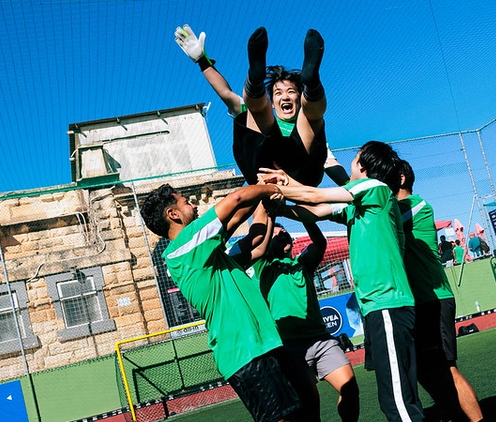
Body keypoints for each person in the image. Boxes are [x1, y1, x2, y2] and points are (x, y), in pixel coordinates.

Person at [260, 140, 425, 422]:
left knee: (397, 403)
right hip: (380, 308)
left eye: (356, 156)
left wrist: (276, 187)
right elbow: (316, 210)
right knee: (400, 397)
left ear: (364, 166)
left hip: (387, 305)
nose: (352, 161)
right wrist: (280, 206)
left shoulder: (374, 187)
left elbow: (315, 195)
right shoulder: (361, 205)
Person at [140, 183, 315, 421]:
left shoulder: (210, 255)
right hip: (245, 352)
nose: (194, 205)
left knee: (307, 411)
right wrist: (270, 186)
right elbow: (237, 198)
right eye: (186, 202)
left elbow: (257, 240)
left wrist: (266, 206)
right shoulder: (184, 247)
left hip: (266, 343)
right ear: (173, 214)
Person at [174, 24, 349, 186]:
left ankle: (312, 84)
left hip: (302, 175)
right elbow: (226, 94)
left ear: (299, 98)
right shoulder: (264, 116)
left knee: (311, 118)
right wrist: (203, 61)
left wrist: (350, 187)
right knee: (255, 112)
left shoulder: (307, 127)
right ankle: (255, 82)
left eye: (291, 91)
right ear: (272, 103)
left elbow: (329, 162)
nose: (285, 97)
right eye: (278, 93)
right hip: (263, 173)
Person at [397, 159, 484, 422]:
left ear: (401, 178)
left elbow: (382, 217)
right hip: (417, 303)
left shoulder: (417, 206)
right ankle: (453, 412)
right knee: (422, 369)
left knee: (448, 368)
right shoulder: (393, 209)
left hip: (434, 300)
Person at [250, 221, 360, 422]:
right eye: (275, 234)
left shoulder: (303, 263)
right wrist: (269, 218)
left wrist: (304, 216)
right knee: (310, 411)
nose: (282, 234)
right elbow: (259, 247)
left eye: (284, 231)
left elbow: (320, 242)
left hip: (321, 340)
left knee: (350, 389)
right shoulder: (264, 267)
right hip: (291, 348)